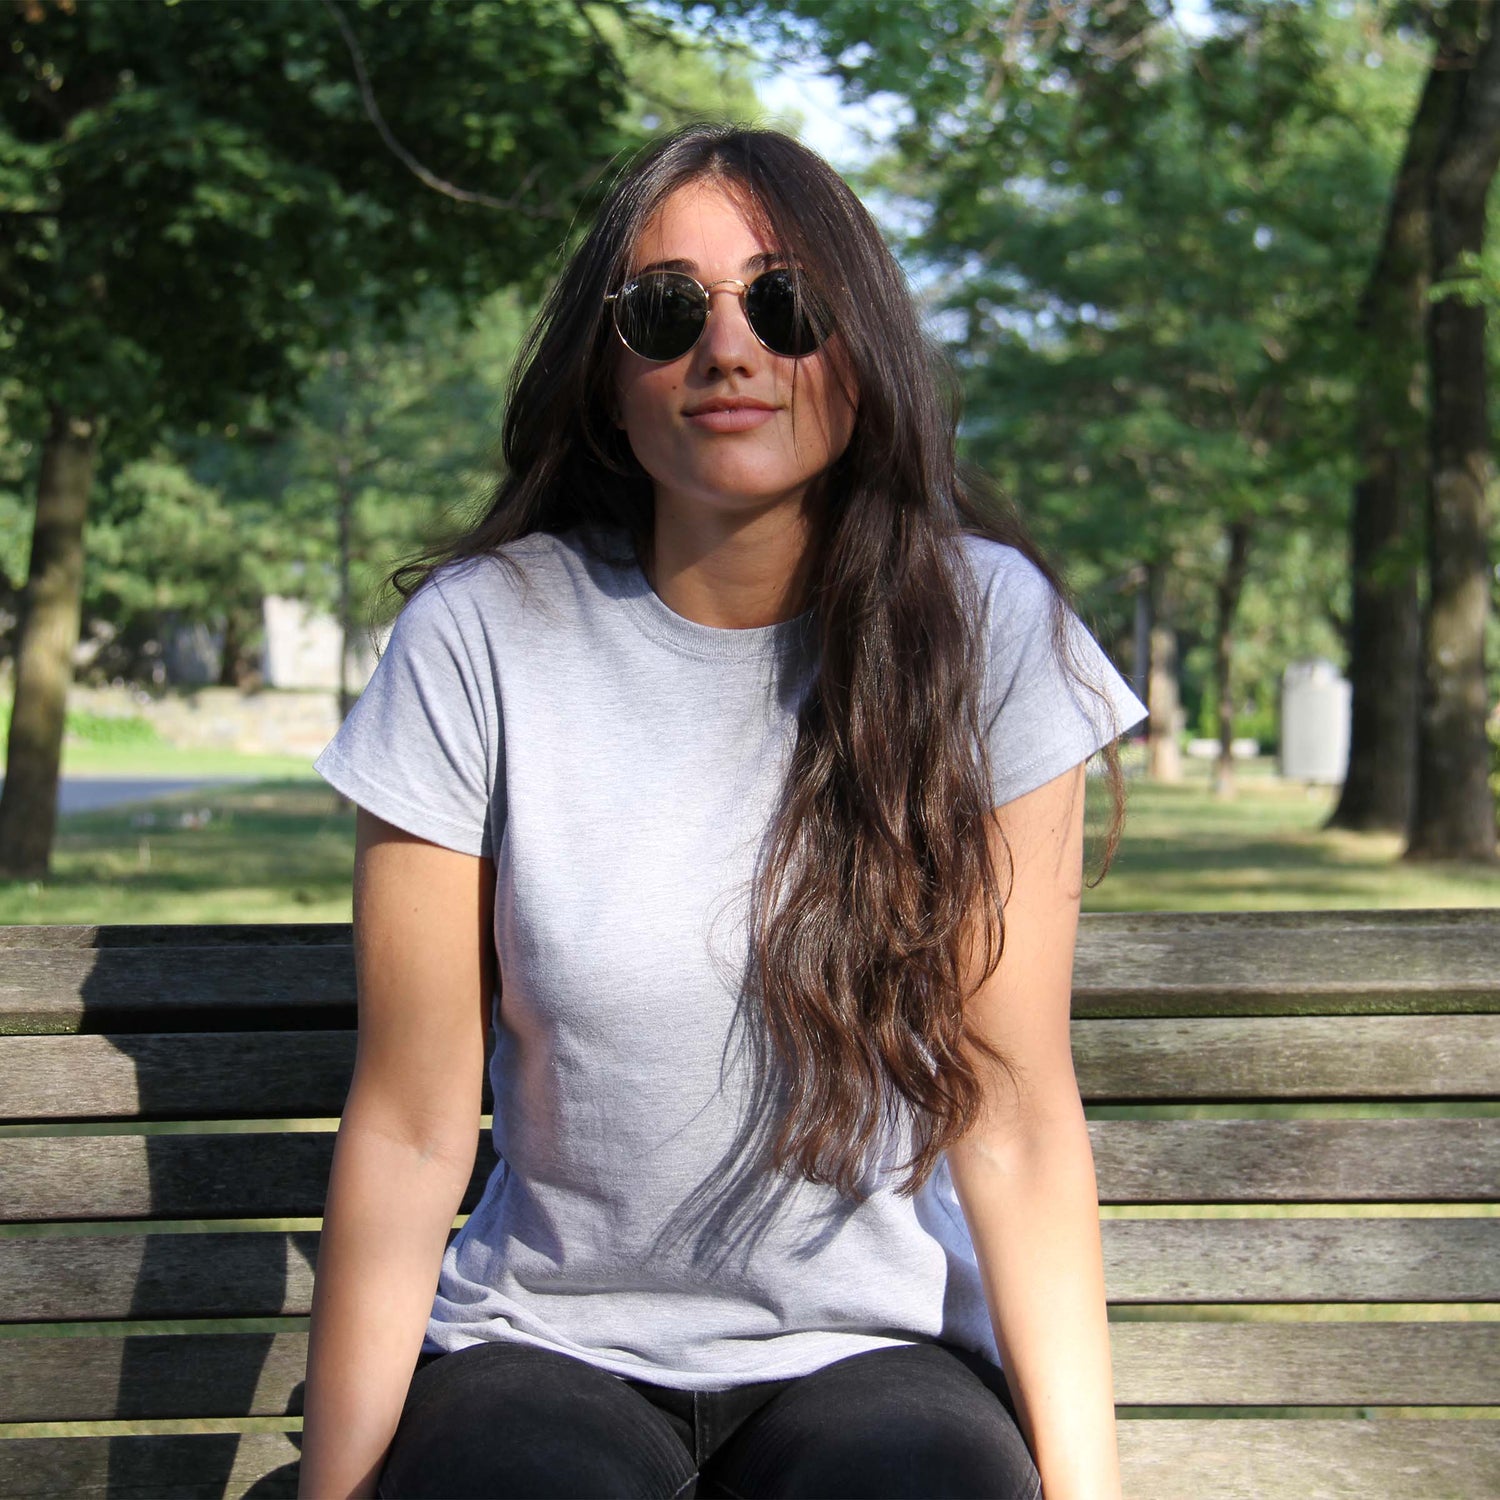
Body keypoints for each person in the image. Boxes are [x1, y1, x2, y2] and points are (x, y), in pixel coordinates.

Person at [300, 122, 1146, 1500]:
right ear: (607, 370)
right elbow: (409, 1122)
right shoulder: (481, 642)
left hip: (876, 1361)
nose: (730, 348)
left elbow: (1017, 1115)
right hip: (544, 1345)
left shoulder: (984, 629)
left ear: (860, 347)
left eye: (787, 302)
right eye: (666, 309)